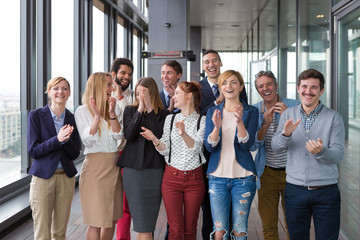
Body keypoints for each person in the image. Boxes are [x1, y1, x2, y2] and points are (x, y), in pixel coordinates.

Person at [272, 69, 345, 240]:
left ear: (321, 91)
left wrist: (322, 152)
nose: (308, 91)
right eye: (304, 86)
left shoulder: (334, 118)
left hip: (326, 192)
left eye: (314, 87)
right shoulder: (288, 115)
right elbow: (275, 147)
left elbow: (338, 155)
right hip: (295, 191)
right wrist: (286, 135)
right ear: (298, 88)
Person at [141, 81, 206, 240]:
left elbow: (196, 148)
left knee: (190, 228)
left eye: (177, 93)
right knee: (175, 229)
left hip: (194, 179)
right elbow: (166, 150)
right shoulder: (170, 119)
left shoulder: (202, 121)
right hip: (171, 179)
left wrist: (184, 134)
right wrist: (154, 139)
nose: (173, 96)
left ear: (189, 96)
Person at [199, 49, 248, 240]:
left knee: (231, 212)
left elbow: (244, 114)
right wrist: (216, 104)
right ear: (203, 66)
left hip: (233, 158)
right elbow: (195, 117)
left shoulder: (234, 86)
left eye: (214, 61)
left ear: (220, 63)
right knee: (210, 211)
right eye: (206, 62)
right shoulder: (198, 88)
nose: (210, 65)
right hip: (208, 158)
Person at [204, 70, 258, 240]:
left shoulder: (251, 111)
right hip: (217, 177)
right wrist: (216, 127)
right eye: (225, 83)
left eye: (234, 82)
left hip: (243, 177)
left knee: (239, 231)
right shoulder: (212, 112)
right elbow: (209, 146)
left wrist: (240, 121)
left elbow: (247, 144)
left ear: (241, 87)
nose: (229, 86)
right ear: (220, 87)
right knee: (219, 231)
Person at [27, 76, 81, 240]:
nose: (60, 92)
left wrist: (65, 141)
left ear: (69, 93)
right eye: (56, 88)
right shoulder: (36, 115)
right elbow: (33, 151)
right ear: (49, 92)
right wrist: (57, 140)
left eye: (64, 88)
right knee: (42, 233)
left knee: (59, 233)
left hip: (66, 179)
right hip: (43, 180)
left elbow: (75, 153)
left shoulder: (72, 118)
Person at [118, 77, 168, 240]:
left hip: (154, 171)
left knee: (147, 223)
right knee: (141, 223)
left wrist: (150, 107)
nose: (140, 95)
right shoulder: (130, 111)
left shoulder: (163, 114)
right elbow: (130, 134)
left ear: (152, 92)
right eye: (138, 92)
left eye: (144, 92)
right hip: (133, 171)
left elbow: (158, 134)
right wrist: (140, 108)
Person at [251, 70, 299, 240]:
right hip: (267, 173)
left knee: (293, 224)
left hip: (293, 174)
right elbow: (253, 145)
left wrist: (288, 115)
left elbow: (304, 136)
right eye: (261, 86)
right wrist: (265, 123)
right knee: (269, 226)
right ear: (258, 90)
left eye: (269, 84)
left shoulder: (294, 105)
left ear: (276, 85)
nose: (266, 88)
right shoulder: (256, 110)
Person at [75, 72, 123, 240]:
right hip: (94, 169)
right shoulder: (82, 111)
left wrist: (111, 112)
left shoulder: (114, 107)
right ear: (97, 86)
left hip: (114, 166)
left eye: (112, 84)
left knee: (112, 219)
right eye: (109, 85)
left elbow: (119, 136)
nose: (112, 88)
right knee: (95, 220)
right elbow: (87, 140)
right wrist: (96, 116)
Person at [111, 57, 134, 240]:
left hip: (126, 154)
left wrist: (120, 98)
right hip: (107, 155)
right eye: (123, 73)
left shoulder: (134, 96)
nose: (126, 77)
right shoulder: (104, 95)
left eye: (129, 74)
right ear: (114, 74)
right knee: (108, 203)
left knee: (125, 205)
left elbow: (130, 123)